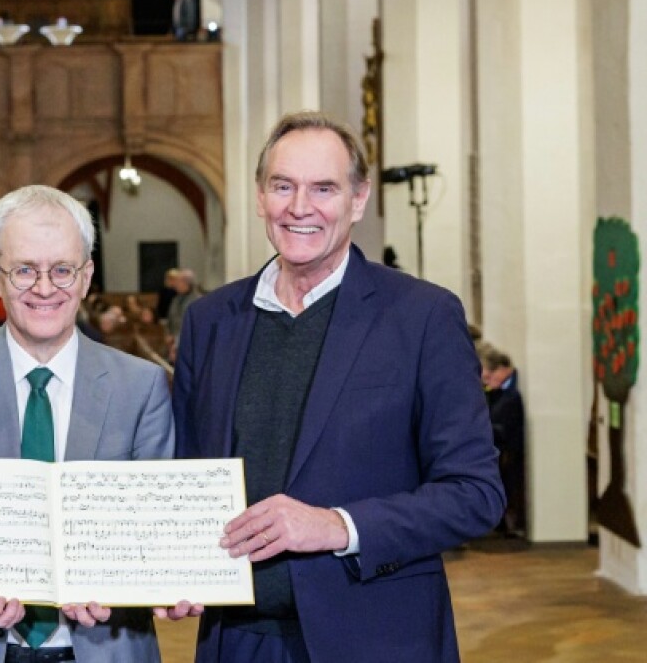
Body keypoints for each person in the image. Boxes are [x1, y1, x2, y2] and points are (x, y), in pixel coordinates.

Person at [161, 112, 504, 662]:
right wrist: (173, 568)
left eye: (324, 188)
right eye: (283, 186)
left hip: (377, 637)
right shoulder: (211, 320)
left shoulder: (421, 316)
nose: (300, 207)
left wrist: (336, 526)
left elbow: (475, 494)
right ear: (259, 196)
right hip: (237, 641)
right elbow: (186, 475)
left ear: (358, 199)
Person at [0, 185, 174, 663]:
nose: (45, 288)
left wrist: (128, 587)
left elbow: (156, 537)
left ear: (87, 276)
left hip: (105, 647)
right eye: (24, 269)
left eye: (62, 270)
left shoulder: (142, 387)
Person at [477, 342, 527, 537]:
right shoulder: (496, 393)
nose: (487, 382)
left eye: (490, 376)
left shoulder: (511, 396)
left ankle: (505, 523)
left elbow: (504, 428)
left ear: (503, 370)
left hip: (507, 453)